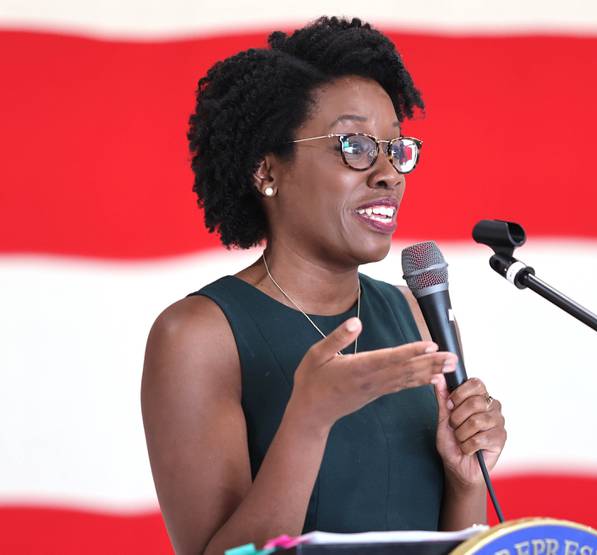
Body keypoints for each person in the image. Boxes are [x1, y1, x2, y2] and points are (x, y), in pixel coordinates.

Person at [141, 17, 507, 554]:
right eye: (355, 146)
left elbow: (453, 545)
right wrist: (309, 420)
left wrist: (464, 477)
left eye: (395, 148)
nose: (388, 172)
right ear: (267, 171)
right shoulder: (197, 335)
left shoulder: (411, 309)